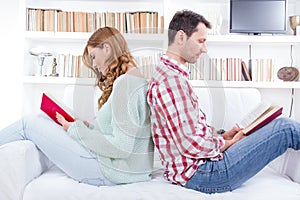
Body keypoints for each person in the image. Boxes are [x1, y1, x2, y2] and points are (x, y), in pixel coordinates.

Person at [147, 10, 300, 194]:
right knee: (285, 128)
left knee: (275, 124)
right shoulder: (171, 81)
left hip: (200, 167)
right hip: (204, 173)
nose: (205, 49)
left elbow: (190, 130)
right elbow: (189, 143)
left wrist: (223, 135)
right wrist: (226, 144)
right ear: (181, 37)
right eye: (201, 41)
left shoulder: (169, 75)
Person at [0, 26, 154, 186]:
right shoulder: (136, 80)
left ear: (107, 49)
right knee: (42, 117)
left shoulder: (126, 83)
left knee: (28, 124)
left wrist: (76, 130)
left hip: (111, 172)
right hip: (121, 170)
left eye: (94, 56)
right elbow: (119, 134)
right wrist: (87, 126)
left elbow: (121, 147)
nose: (94, 64)